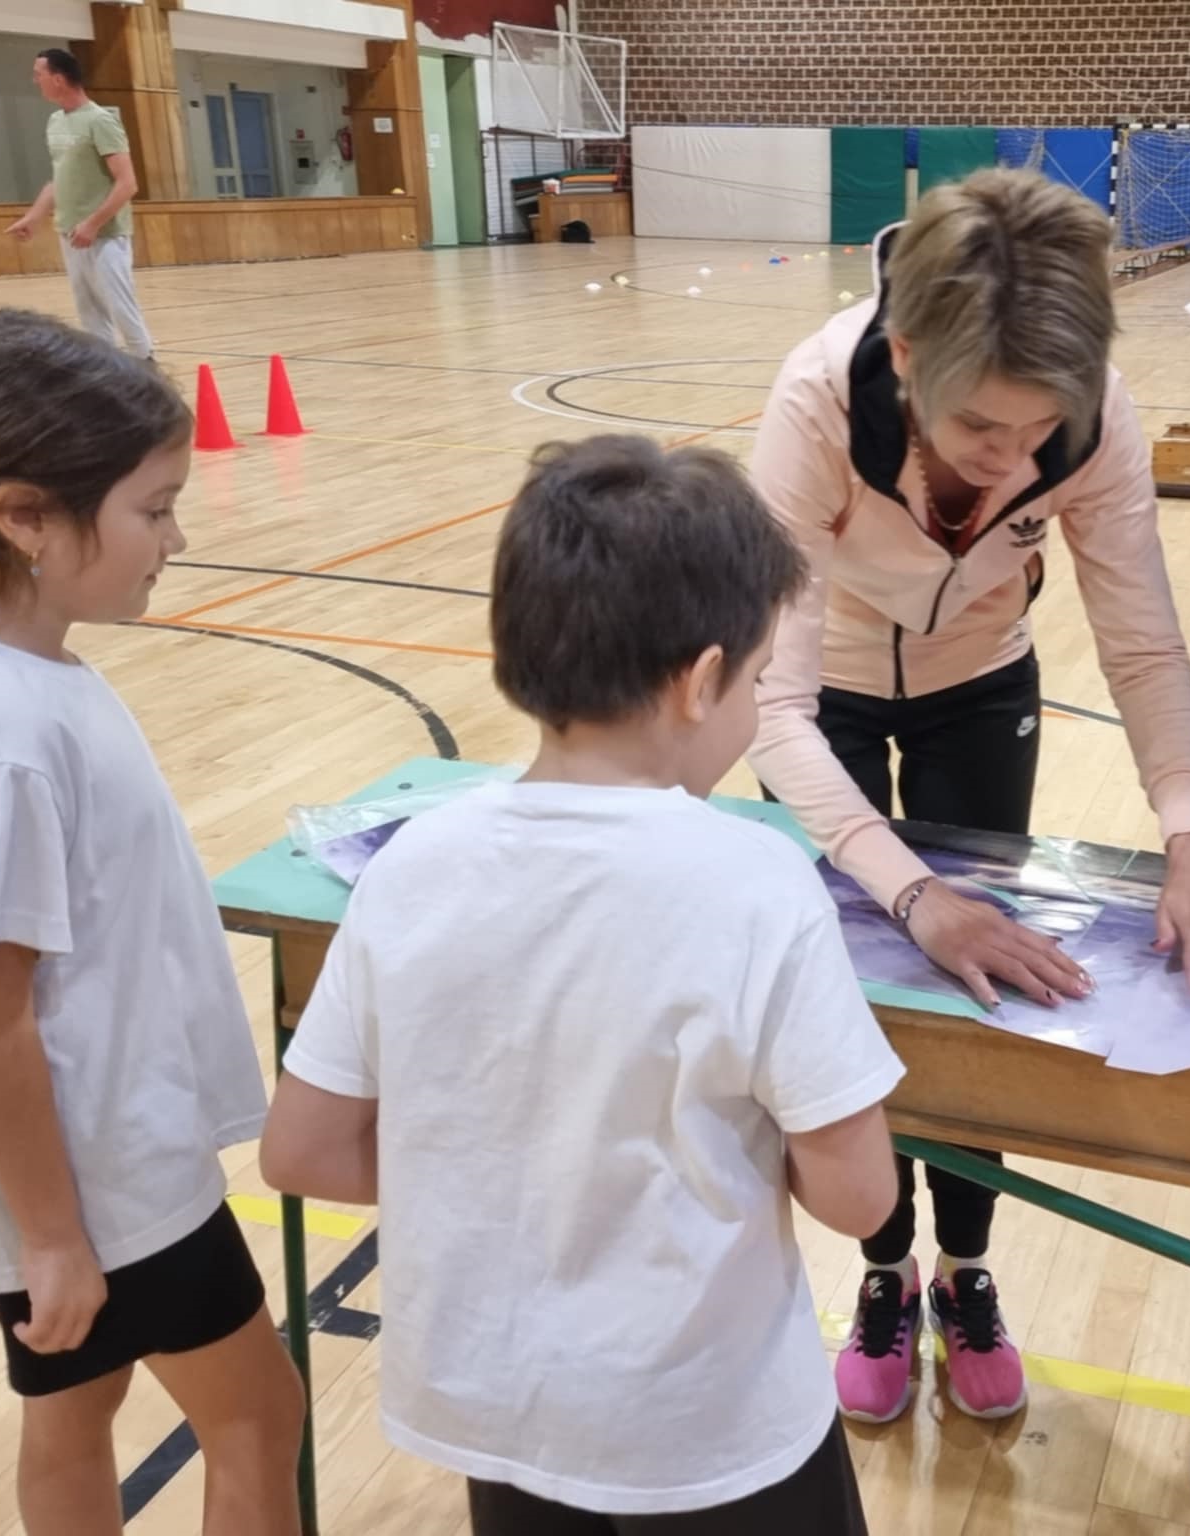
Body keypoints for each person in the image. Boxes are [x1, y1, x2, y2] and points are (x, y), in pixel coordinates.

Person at [259, 435, 905, 1535]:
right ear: (700, 682)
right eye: (757, 680)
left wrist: (502, 1175)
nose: (756, 706)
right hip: (708, 1430)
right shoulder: (756, 881)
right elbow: (860, 1199)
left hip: (497, 1412)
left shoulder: (410, 864)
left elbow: (303, 1151)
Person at [747, 166, 1190, 1427]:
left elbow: (1142, 640)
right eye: (983, 426)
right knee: (846, 980)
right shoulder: (815, 400)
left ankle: (966, 1269)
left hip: (980, 682)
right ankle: (884, 1270)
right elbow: (768, 707)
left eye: (1041, 429)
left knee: (982, 988)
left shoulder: (1092, 416)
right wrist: (913, 893)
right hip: (822, 697)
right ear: (906, 354)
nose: (1014, 460)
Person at [0, 311, 304, 1534]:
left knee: (75, 1412)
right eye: (154, 508)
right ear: (26, 516)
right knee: (257, 1418)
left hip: (77, 1183)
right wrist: (55, 1238)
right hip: (103, 1190)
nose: (175, 538)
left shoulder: (12, 676)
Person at [5, 49, 153, 360]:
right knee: (90, 312)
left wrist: (93, 223)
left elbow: (127, 183)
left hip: (106, 235)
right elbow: (60, 178)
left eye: (39, 75)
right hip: (71, 233)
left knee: (120, 306)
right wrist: (34, 216)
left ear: (58, 79)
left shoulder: (101, 121)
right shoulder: (55, 122)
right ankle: (102, 370)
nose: (35, 80)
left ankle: (147, 365)